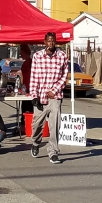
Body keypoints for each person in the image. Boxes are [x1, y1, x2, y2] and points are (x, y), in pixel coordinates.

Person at [29, 32, 68, 165]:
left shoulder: (62, 56)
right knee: (37, 124)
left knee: (55, 125)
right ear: (45, 42)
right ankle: (35, 143)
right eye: (49, 41)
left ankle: (53, 152)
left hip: (55, 97)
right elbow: (34, 77)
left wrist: (54, 90)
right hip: (40, 95)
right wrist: (34, 95)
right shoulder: (37, 56)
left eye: (53, 41)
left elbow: (64, 76)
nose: (51, 43)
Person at [19, 44, 33, 114]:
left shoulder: (31, 62)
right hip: (25, 87)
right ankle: (23, 119)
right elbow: (22, 76)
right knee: (24, 107)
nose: (21, 55)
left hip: (30, 88)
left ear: (26, 53)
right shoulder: (24, 63)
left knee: (29, 108)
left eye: (22, 53)